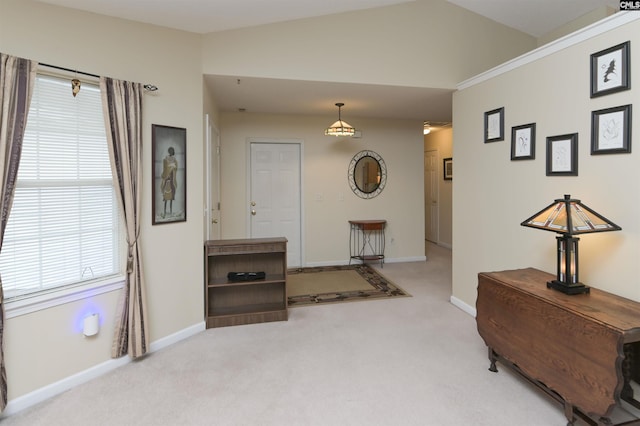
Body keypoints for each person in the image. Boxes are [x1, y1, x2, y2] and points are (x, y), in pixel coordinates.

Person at [161, 146, 177, 218]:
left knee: (171, 197)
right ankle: (164, 212)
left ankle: (170, 212)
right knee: (166, 198)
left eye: (172, 151)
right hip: (167, 179)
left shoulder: (174, 160)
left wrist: (173, 168)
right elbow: (164, 169)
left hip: (171, 180)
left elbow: (175, 170)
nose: (171, 152)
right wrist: (169, 168)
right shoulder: (165, 160)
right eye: (171, 151)